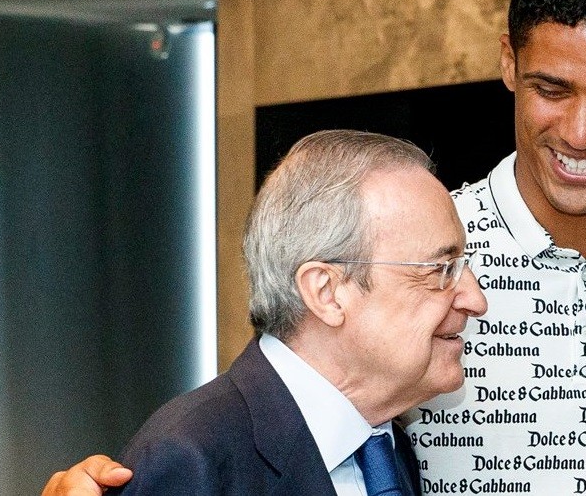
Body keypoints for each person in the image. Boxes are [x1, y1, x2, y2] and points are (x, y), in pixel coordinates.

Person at [45, 0, 586, 496]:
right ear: (507, 61)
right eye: (552, 89)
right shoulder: (411, 246)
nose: (582, 131)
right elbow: (276, 416)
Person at [43, 129, 487, 495]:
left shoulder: (383, 446)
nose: (475, 298)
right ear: (328, 292)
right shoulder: (192, 461)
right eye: (441, 269)